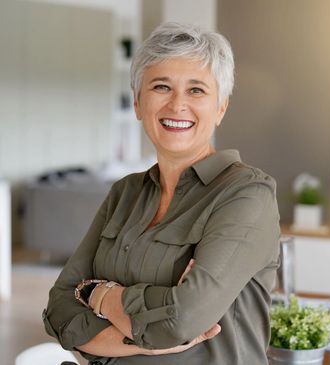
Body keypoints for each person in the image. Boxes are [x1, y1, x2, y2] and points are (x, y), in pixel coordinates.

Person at [43, 22, 280, 365]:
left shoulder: (247, 195)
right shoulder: (124, 192)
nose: (177, 104)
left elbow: (181, 322)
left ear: (221, 109)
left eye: (196, 90)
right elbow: (59, 307)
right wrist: (142, 340)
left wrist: (97, 293)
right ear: (139, 104)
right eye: (161, 86)